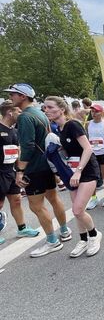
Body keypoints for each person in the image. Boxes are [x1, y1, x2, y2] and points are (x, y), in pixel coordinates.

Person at [3, 83, 70, 257]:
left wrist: (19, 170)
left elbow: (27, 145)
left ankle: (52, 241)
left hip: (34, 168)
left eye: (13, 95)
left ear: (22, 96)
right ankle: (64, 230)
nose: (11, 98)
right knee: (54, 199)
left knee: (36, 206)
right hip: (46, 165)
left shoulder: (25, 117)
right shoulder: (40, 113)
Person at [44, 97, 102, 257]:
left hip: (87, 171)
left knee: (77, 210)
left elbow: (88, 148)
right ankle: (83, 240)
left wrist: (78, 171)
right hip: (72, 172)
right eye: (45, 107)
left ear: (61, 109)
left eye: (50, 107)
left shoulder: (73, 125)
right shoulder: (59, 128)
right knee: (77, 209)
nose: (46, 110)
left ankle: (95, 235)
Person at [0, 101, 39, 243]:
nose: (21, 114)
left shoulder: (15, 131)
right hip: (0, 173)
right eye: (18, 112)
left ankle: (22, 228)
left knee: (16, 200)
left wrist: (20, 171)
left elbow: (18, 151)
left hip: (11, 172)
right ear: (10, 112)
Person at [85, 104, 104, 209]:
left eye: (96, 111)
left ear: (102, 112)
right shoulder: (88, 124)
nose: (94, 113)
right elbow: (86, 139)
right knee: (93, 177)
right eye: (92, 112)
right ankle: (93, 198)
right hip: (92, 153)